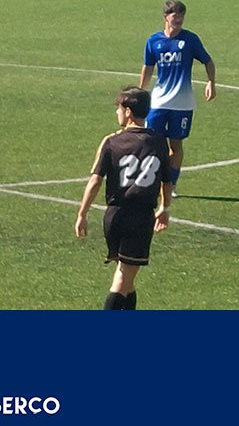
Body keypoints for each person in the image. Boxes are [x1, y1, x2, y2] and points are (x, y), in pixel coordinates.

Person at [75, 86, 175, 310]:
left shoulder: (111, 142)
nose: (117, 113)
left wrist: (82, 214)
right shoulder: (159, 142)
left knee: (128, 278)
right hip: (139, 218)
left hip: (114, 217)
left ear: (128, 111)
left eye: (118, 108)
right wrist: (165, 208)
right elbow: (167, 180)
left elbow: (95, 181)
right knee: (122, 280)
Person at [139, 0, 216, 178]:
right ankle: (154, 178)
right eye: (175, 15)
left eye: (182, 15)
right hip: (159, 101)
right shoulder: (154, 41)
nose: (179, 18)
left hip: (183, 103)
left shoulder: (190, 40)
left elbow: (208, 61)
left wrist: (211, 82)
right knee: (152, 141)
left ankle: (171, 183)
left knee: (176, 145)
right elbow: (148, 67)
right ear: (166, 17)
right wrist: (141, 90)